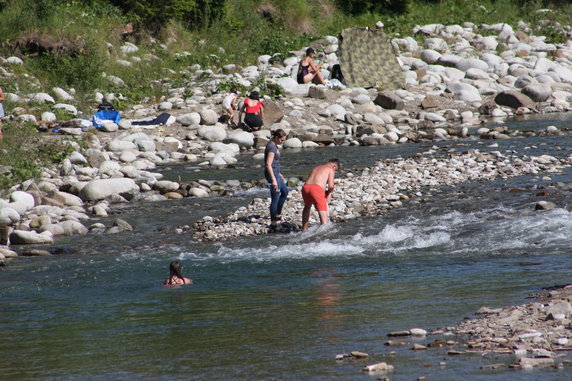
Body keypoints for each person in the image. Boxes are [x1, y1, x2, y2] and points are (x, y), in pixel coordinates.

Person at [301, 159, 340, 230]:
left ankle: (304, 227)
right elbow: (331, 186)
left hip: (306, 187)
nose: (334, 171)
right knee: (322, 210)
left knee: (307, 206)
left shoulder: (316, 168)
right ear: (334, 167)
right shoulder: (330, 170)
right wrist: (328, 192)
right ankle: (324, 230)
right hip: (316, 189)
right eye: (336, 170)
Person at [265, 129, 288, 232]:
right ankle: (273, 223)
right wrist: (274, 179)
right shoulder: (271, 148)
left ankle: (277, 213)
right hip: (272, 175)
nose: (283, 142)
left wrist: (278, 173)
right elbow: (268, 164)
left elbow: (274, 163)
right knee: (275, 197)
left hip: (276, 173)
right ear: (276, 138)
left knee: (285, 192)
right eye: (282, 140)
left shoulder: (274, 146)